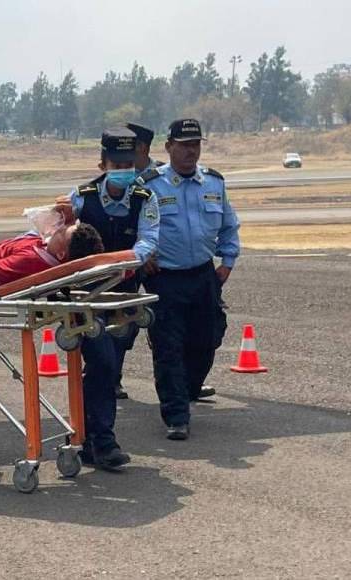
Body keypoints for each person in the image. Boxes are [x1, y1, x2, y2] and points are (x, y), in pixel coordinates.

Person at [54, 127, 159, 471]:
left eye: (130, 163)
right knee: (101, 361)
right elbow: (57, 233)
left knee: (108, 367)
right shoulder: (83, 197)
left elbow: (148, 242)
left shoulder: (145, 198)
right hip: (85, 296)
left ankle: (85, 436)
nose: (125, 169)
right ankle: (103, 440)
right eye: (117, 163)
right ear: (103, 162)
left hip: (123, 297)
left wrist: (126, 261)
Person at [138, 119, 240, 441]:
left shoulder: (213, 182)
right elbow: (132, 226)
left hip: (203, 275)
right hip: (164, 278)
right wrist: (142, 257)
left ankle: (188, 389)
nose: (190, 151)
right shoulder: (149, 185)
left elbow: (228, 224)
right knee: (168, 347)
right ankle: (176, 414)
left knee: (206, 339)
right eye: (183, 145)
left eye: (195, 144)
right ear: (168, 147)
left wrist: (228, 261)